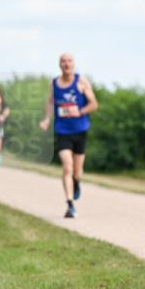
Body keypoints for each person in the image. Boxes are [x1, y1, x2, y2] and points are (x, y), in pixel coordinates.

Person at [39, 53, 98, 218]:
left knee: (77, 172)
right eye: (63, 61)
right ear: (59, 65)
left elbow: (94, 104)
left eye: (69, 61)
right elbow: (50, 102)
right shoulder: (54, 84)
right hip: (62, 131)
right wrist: (46, 119)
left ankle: (76, 182)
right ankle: (70, 204)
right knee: (67, 166)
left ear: (73, 64)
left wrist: (80, 111)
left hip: (80, 130)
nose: (66, 64)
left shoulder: (81, 81)